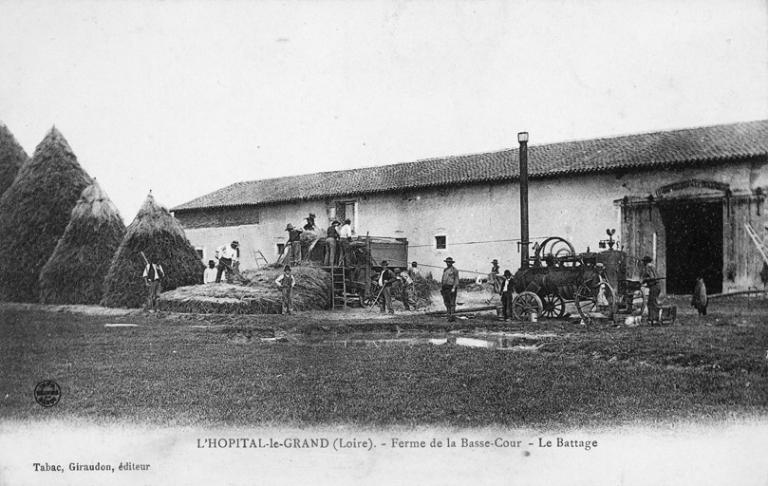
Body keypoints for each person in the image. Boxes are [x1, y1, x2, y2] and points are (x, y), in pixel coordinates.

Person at [641, 255, 661, 325]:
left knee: (652, 303)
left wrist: (644, 280)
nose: (643, 263)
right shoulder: (652, 266)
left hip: (654, 286)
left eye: (643, 261)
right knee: (651, 302)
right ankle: (652, 319)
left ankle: (655, 319)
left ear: (646, 262)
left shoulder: (648, 267)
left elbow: (652, 278)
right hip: (657, 286)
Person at [441, 257, 459, 322]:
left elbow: (456, 280)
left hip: (451, 287)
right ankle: (448, 315)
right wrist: (442, 288)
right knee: (446, 302)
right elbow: (443, 279)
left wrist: (454, 288)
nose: (448, 263)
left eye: (449, 262)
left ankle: (452, 317)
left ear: (451, 263)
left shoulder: (455, 270)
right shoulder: (445, 270)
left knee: (452, 302)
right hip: (445, 288)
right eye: (447, 262)